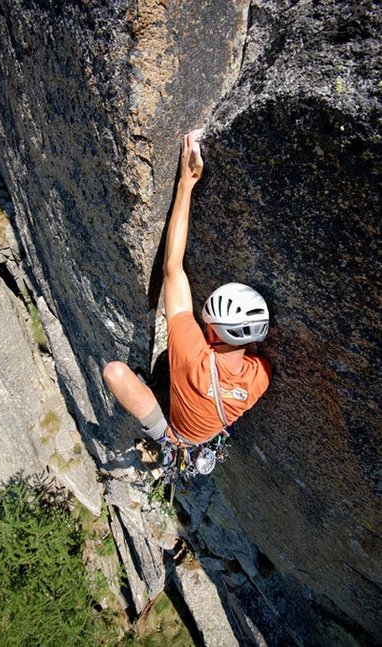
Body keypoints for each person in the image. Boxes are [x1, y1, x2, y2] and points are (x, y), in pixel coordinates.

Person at [103, 130, 271, 448]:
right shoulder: (260, 376)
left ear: (211, 331)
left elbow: (172, 268)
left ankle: (167, 439)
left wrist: (186, 183)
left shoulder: (192, 355)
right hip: (206, 432)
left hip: (177, 433)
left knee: (115, 373)